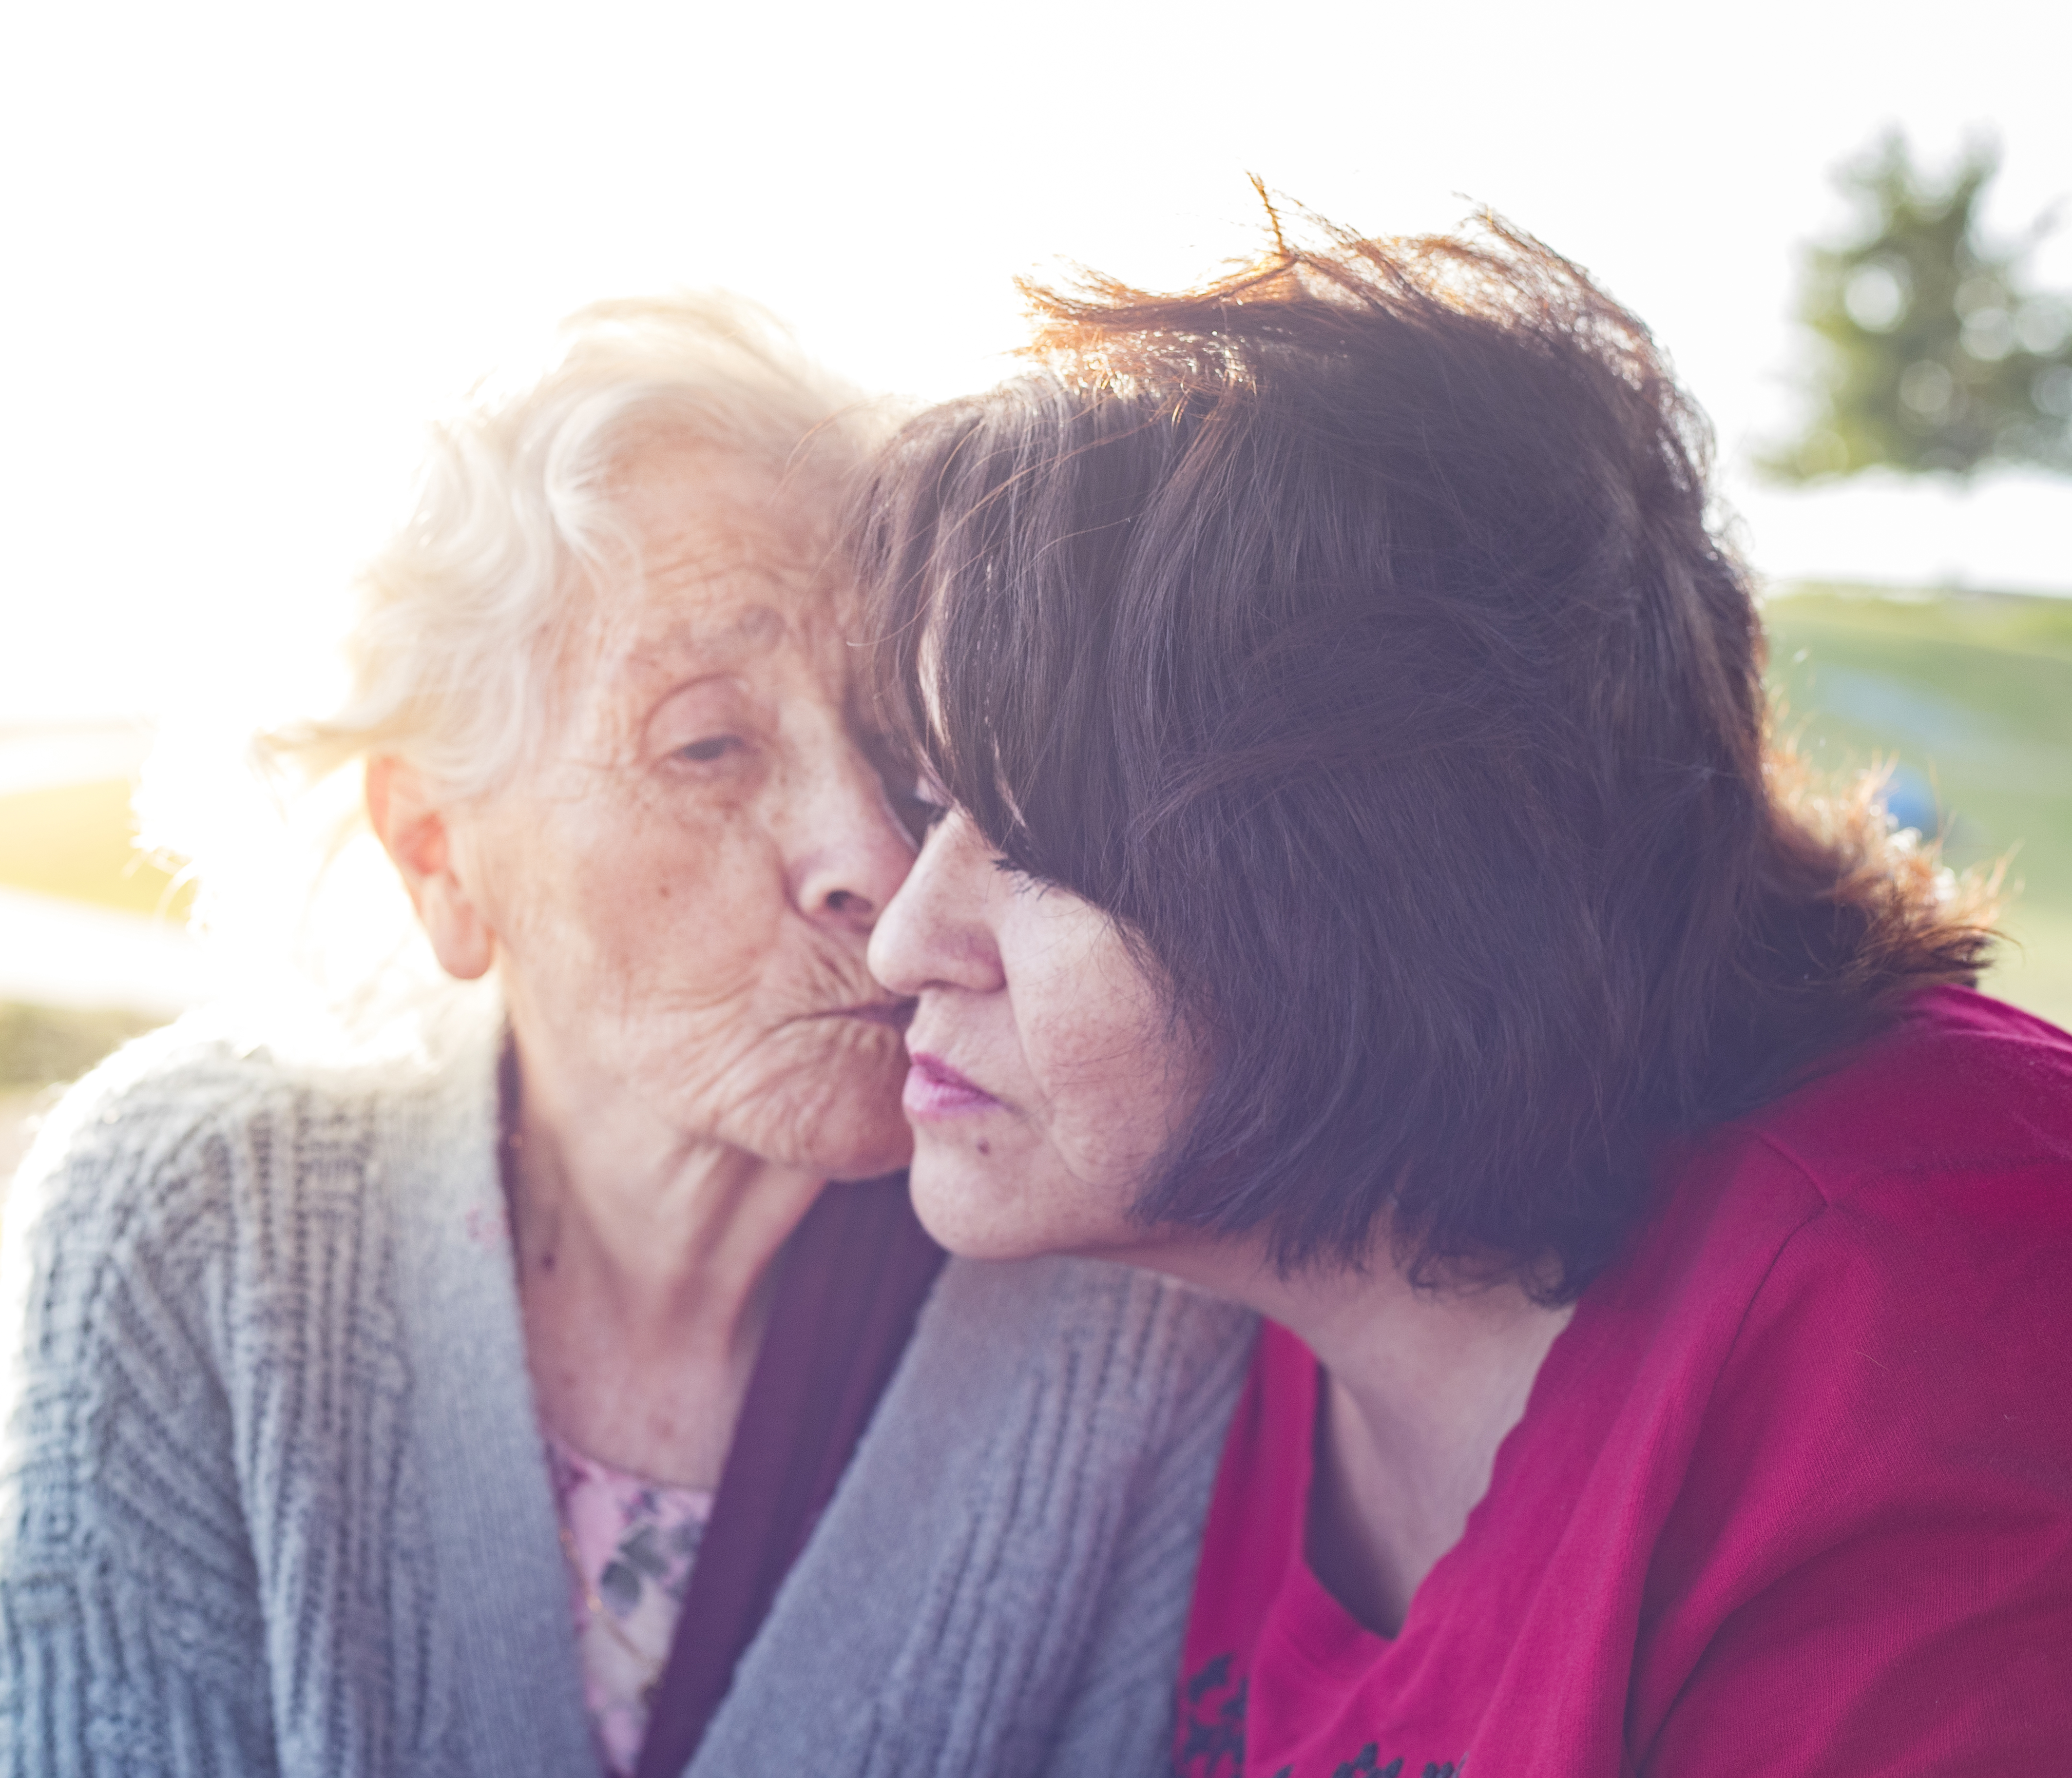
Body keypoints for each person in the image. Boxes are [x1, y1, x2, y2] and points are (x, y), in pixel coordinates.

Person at [0, 294, 1253, 1778]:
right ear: (439, 853)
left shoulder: (1114, 1291)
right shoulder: (198, 1213)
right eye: (709, 745)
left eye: (902, 745)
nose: (877, 862)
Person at [859, 218, 2072, 1777]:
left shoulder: (1923, 1309)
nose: (902, 942)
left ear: (1362, 889)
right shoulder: (1250, 1274)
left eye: (1031, 846)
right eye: (925, 798)